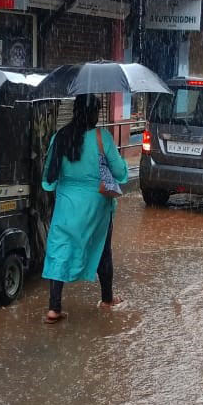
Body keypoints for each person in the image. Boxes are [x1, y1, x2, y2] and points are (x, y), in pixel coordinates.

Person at [41, 94, 128, 324]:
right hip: (97, 204)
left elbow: (48, 178)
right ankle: (108, 299)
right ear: (94, 113)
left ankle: (54, 307)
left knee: (59, 249)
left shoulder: (60, 137)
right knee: (101, 249)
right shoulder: (102, 138)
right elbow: (120, 173)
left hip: (66, 204)